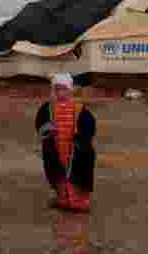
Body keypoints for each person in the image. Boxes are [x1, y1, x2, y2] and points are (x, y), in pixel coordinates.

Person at [35, 73, 96, 212]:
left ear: (70, 90)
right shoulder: (47, 109)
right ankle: (62, 198)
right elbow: (41, 125)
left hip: (75, 150)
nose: (60, 92)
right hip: (55, 149)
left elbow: (89, 126)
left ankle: (78, 201)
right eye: (57, 89)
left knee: (77, 174)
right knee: (58, 174)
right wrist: (47, 134)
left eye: (63, 89)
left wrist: (82, 140)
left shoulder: (80, 110)